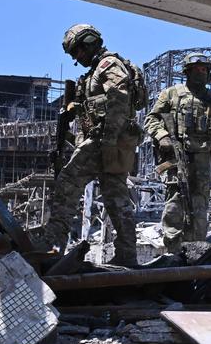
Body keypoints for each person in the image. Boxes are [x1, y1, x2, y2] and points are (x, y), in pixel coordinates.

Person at [41, 24, 142, 266]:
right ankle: (127, 256)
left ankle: (52, 248)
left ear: (88, 42)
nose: (77, 58)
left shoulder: (107, 65)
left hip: (103, 142)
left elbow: (119, 98)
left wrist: (107, 141)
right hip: (112, 143)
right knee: (116, 198)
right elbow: (99, 103)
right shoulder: (94, 72)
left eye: (77, 51)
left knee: (67, 184)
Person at [144, 52, 211, 252]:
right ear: (188, 71)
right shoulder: (171, 94)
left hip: (203, 162)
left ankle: (195, 253)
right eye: (197, 69)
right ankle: (172, 254)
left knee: (199, 210)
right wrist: (162, 136)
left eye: (204, 70)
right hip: (177, 160)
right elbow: (151, 119)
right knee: (174, 207)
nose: (201, 73)